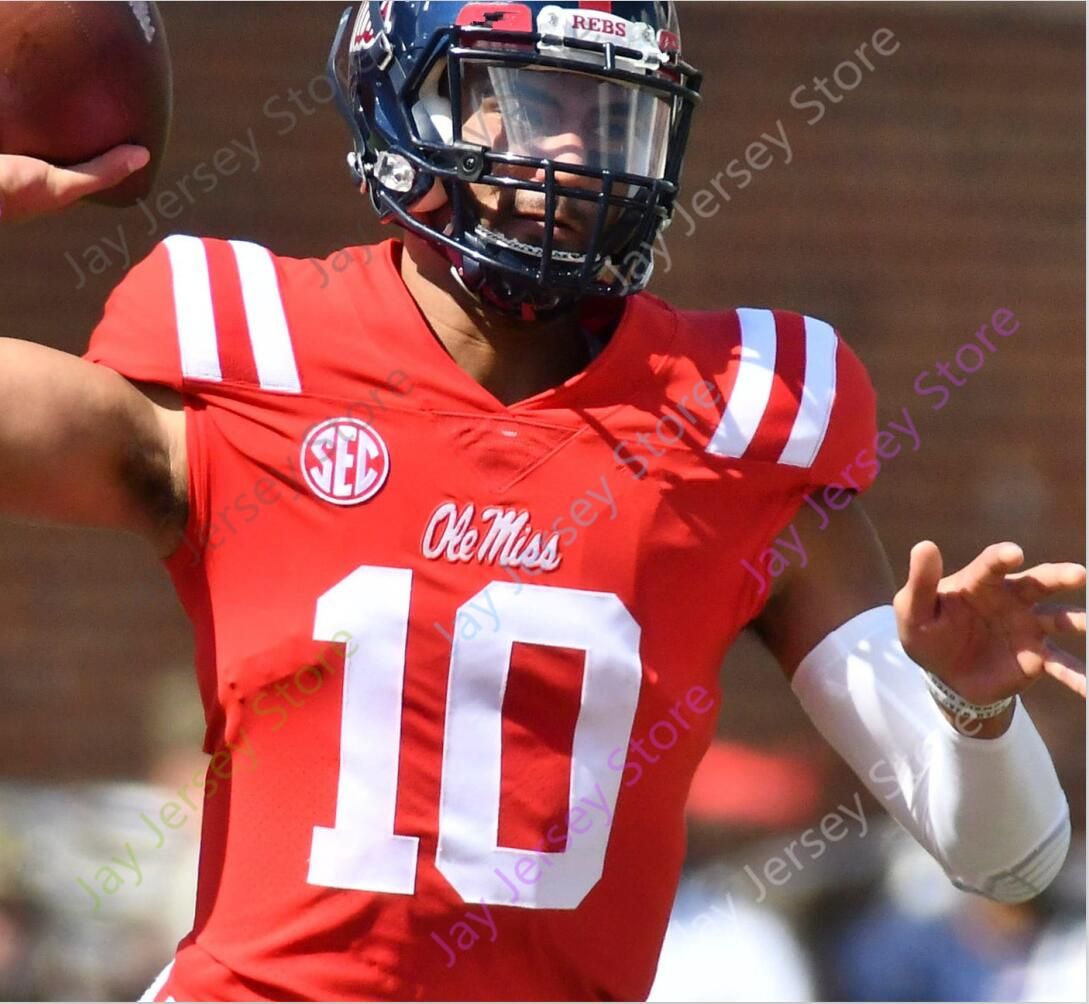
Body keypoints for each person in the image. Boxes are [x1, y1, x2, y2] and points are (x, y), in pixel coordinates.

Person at [0, 3, 1082, 1001]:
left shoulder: (739, 414)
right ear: (402, 96)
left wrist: (979, 713)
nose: (576, 147)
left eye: (611, 113)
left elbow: (1006, 854)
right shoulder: (251, 350)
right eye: (531, 100)